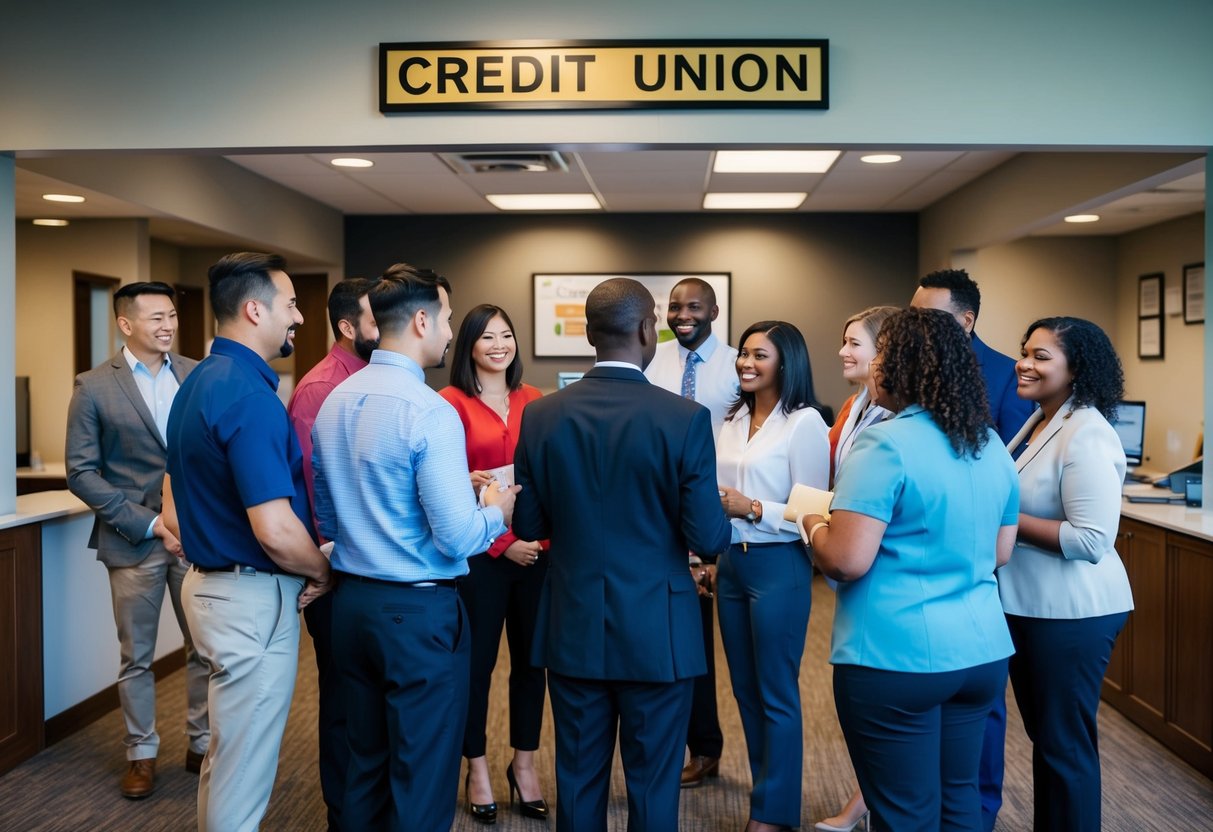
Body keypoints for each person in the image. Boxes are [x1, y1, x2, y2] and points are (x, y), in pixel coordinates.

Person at [512, 277, 731, 831]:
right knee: (654, 786)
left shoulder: (542, 416)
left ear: (588, 333)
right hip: (658, 629)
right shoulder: (684, 420)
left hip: (573, 622)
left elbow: (531, 525)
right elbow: (707, 538)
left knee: (579, 780)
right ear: (645, 330)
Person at [311, 264, 517, 832]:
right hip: (417, 613)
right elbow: (455, 535)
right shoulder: (430, 409)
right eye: (449, 319)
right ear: (422, 320)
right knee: (422, 776)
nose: (452, 332)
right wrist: (496, 512)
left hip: (351, 606)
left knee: (365, 765)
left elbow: (327, 511)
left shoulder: (335, 398)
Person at [800, 307, 1018, 832]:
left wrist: (811, 521)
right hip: (981, 652)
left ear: (898, 367)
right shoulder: (989, 444)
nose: (871, 370)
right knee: (958, 801)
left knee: (903, 812)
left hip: (897, 658)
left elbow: (847, 560)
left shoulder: (885, 442)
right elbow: (1000, 553)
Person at [163, 252, 333, 832]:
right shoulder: (249, 396)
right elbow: (276, 529)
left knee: (227, 757)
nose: (299, 319)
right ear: (254, 308)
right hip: (249, 600)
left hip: (213, 590)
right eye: (290, 306)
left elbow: (172, 497)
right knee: (244, 770)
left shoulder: (198, 383)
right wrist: (322, 571)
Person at [65, 281, 208, 799]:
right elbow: (81, 472)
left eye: (171, 315)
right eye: (155, 318)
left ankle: (202, 743)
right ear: (125, 324)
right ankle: (141, 753)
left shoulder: (198, 374)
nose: (168, 325)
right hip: (134, 541)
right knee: (137, 656)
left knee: (204, 649)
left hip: (194, 540)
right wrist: (150, 523)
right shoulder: (94, 385)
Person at [997, 316, 1133, 832]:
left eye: (1040, 357)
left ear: (1076, 369)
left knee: (1065, 747)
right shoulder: (1039, 420)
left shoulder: (1088, 433)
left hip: (1074, 613)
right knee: (1049, 741)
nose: (1024, 364)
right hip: (1033, 607)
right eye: (1024, 351)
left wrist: (1005, 521)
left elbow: (1091, 539)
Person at [910, 267, 1034, 830]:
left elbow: (1010, 475)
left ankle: (978, 812)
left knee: (977, 709)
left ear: (965, 320)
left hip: (984, 566)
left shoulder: (1007, 377)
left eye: (929, 317)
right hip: (916, 567)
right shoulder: (909, 371)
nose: (918, 326)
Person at [714, 320, 829, 832]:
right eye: (744, 353)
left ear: (786, 362)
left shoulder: (804, 423)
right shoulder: (732, 419)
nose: (746, 362)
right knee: (744, 689)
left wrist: (754, 506)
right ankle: (766, 796)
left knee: (775, 689)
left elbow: (814, 508)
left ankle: (773, 814)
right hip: (731, 564)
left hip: (779, 564)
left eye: (760, 355)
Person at [438, 304, 549, 824]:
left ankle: (523, 766)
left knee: (533, 665)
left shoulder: (537, 401)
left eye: (506, 335)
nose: (499, 345)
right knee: (476, 667)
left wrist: (539, 543)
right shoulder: (450, 403)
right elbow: (442, 487)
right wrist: (504, 543)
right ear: (469, 346)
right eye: (487, 337)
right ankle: (476, 766)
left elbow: (550, 480)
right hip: (481, 556)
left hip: (538, 556)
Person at [286, 277, 378, 831]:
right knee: (344, 706)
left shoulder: (374, 378)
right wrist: (333, 568)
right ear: (348, 327)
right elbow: (316, 492)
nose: (385, 327)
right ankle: (342, 817)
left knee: (366, 705)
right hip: (338, 575)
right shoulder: (321, 389)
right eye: (375, 318)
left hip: (365, 575)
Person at [643, 277, 738, 788]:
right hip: (662, 516)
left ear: (714, 309)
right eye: (675, 307)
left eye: (694, 306)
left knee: (712, 647)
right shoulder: (654, 363)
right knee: (678, 639)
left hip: (717, 516)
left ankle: (706, 747)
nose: (683, 315)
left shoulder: (737, 367)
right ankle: (683, 745)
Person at [815, 305, 897, 832]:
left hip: (881, 560)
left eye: (854, 343)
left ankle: (869, 805)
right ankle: (867, 801)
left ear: (885, 351)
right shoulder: (854, 404)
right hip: (852, 554)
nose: (843, 351)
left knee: (881, 696)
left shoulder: (897, 420)